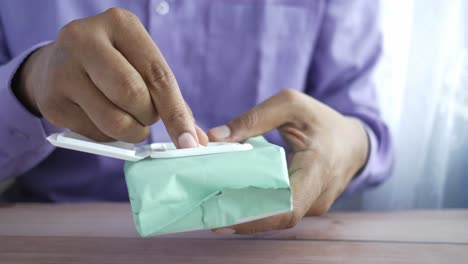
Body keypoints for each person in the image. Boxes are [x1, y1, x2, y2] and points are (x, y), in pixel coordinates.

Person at [0, 0, 392, 234]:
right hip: (57, 236)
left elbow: (365, 128)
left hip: (264, 246)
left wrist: (352, 146)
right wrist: (25, 88)